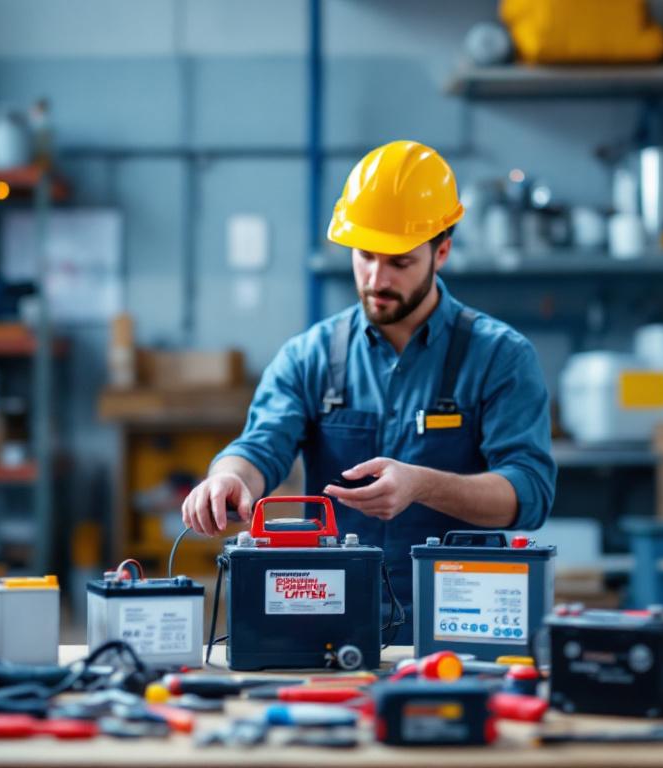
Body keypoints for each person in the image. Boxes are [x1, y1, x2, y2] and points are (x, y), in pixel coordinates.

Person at [181, 140, 556, 643]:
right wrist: (227, 479)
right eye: (365, 256)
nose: (377, 279)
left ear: (441, 251)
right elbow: (260, 446)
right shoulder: (310, 356)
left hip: (462, 626)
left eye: (399, 261)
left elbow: (529, 493)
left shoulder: (500, 357)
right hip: (331, 619)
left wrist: (423, 485)